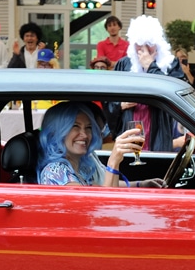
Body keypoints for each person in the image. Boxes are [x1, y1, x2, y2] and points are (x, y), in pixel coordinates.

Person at [37, 101, 164, 188]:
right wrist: (113, 161)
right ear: (57, 132)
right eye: (75, 126)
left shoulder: (83, 164)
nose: (85, 135)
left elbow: (105, 183)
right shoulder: (55, 172)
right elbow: (102, 205)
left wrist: (141, 185)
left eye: (88, 128)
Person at [110, 15, 186, 152]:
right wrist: (120, 105)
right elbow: (108, 102)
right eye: (139, 44)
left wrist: (151, 66)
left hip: (158, 134)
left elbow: (177, 95)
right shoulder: (124, 64)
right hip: (130, 133)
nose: (144, 50)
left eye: (149, 44)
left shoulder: (170, 64)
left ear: (157, 44)